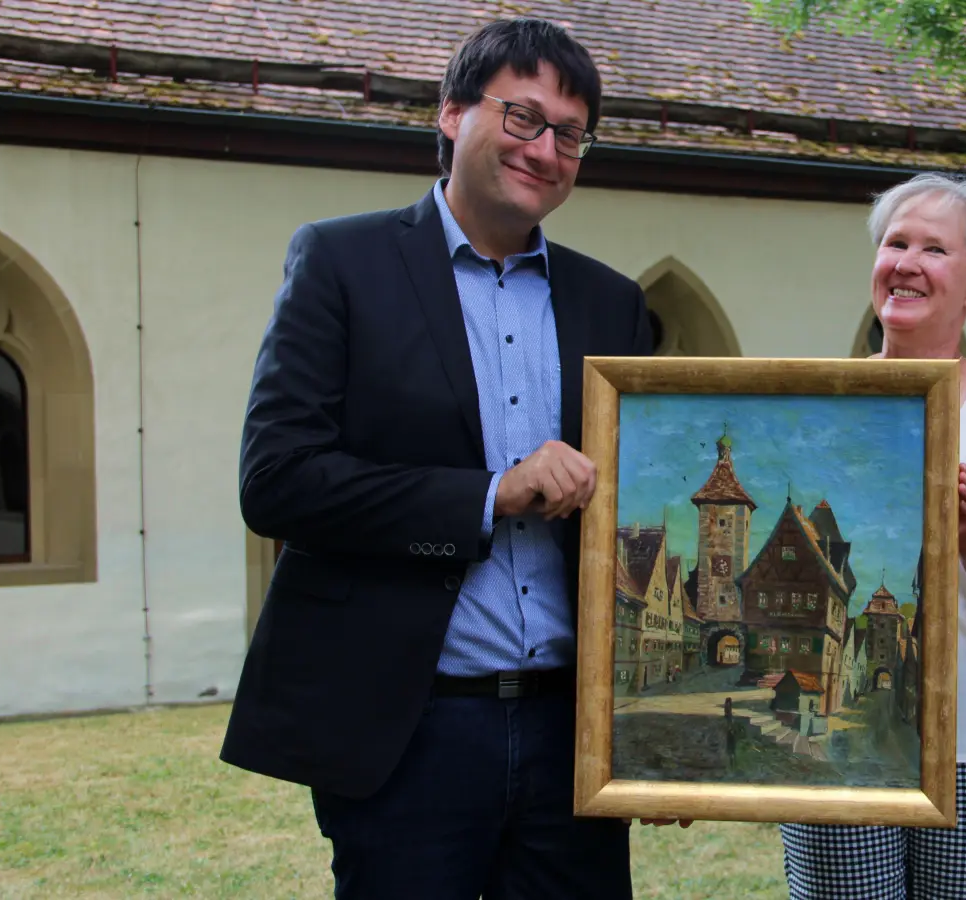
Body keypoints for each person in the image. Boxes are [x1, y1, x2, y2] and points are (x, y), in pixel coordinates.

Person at [220, 18, 655, 899]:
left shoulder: (613, 304)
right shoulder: (342, 263)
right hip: (407, 731)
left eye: (570, 134)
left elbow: (647, 511)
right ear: (453, 113)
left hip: (572, 742)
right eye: (523, 117)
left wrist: (652, 736)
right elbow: (276, 481)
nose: (546, 149)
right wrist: (491, 495)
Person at [779, 173, 966, 899]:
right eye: (896, 243)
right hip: (837, 748)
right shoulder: (820, 403)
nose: (908, 262)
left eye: (935, 249)